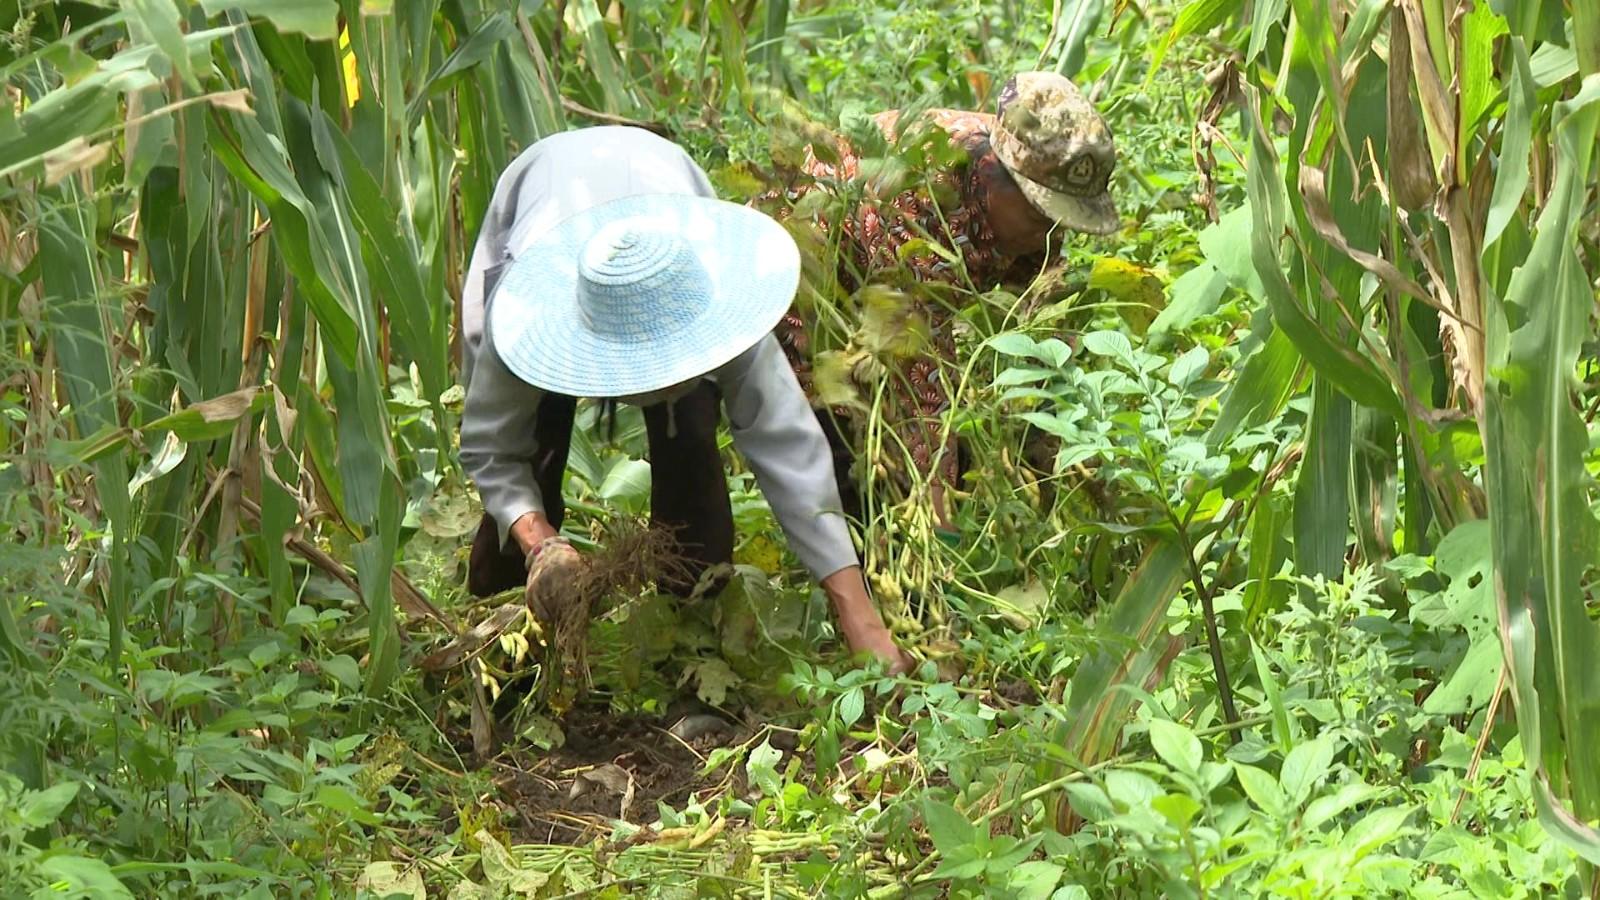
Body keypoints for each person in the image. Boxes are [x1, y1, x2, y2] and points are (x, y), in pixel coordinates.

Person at [457, 125, 911, 674]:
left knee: (689, 445)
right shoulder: (525, 316)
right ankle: (501, 645)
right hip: (541, 209)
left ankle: (688, 641)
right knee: (535, 453)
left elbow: (786, 441)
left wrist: (857, 613)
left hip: (663, 185)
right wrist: (540, 542)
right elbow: (490, 446)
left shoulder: (711, 292)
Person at [760, 71, 1119, 533]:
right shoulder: (921, 200)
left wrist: (1064, 453)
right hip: (804, 296)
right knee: (852, 465)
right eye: (1039, 214)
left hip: (881, 307)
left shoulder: (1034, 187)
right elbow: (922, 376)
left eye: (1060, 218)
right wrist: (937, 522)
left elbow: (1046, 330)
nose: (1050, 232)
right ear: (997, 178)